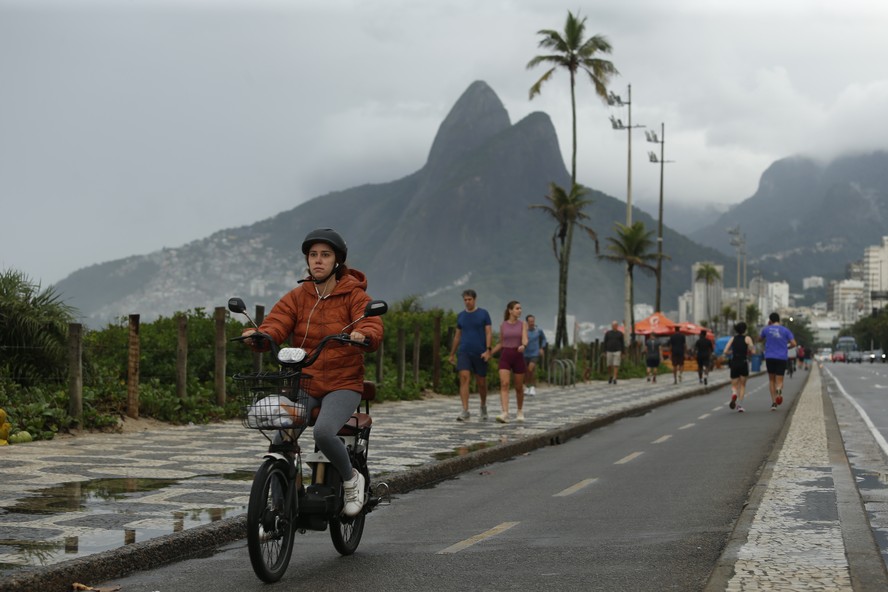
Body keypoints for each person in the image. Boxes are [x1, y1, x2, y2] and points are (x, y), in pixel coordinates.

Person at [240, 228, 383, 517]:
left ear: (337, 261)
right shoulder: (299, 295)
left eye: (325, 255)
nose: (318, 260)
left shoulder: (352, 295)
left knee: (323, 432)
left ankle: (351, 479)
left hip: (343, 384)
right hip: (305, 382)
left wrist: (363, 334)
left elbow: (371, 324)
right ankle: (279, 510)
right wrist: (261, 335)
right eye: (313, 255)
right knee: (282, 439)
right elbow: (277, 322)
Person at [448, 289, 492, 422]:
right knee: (464, 378)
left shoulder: (483, 314)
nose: (467, 302)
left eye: (469, 299)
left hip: (480, 352)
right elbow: (457, 336)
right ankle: (465, 410)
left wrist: (488, 350)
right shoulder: (461, 316)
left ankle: (483, 406)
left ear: (475, 299)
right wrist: (452, 354)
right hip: (464, 352)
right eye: (465, 300)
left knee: (481, 383)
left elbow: (488, 332)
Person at [490, 301, 529, 423]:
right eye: (517, 308)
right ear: (510, 310)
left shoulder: (523, 324)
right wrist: (489, 353)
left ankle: (520, 410)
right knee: (504, 384)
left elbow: (525, 338)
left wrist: (523, 345)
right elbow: (501, 343)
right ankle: (505, 413)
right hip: (505, 356)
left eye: (520, 308)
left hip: (518, 356)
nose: (520, 310)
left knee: (518, 387)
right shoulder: (503, 325)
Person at [759, 312, 797, 411]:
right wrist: (787, 347)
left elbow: (759, 339)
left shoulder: (766, 329)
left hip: (769, 357)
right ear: (779, 320)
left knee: (771, 380)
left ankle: (774, 403)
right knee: (779, 381)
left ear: (770, 320)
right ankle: (779, 390)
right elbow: (794, 343)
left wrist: (768, 328)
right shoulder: (785, 330)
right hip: (781, 357)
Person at [724, 322, 754, 412]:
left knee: (734, 384)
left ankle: (734, 394)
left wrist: (731, 352)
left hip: (734, 363)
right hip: (743, 362)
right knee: (742, 385)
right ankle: (740, 405)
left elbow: (725, 351)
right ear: (745, 329)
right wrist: (748, 350)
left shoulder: (732, 339)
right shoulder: (747, 338)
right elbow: (752, 350)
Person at [523, 314, 547, 396]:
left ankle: (532, 387)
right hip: (525, 354)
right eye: (530, 321)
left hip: (535, 353)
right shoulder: (524, 331)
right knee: (527, 371)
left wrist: (541, 348)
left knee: (530, 369)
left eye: (533, 321)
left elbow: (544, 339)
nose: (532, 323)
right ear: (527, 322)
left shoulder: (538, 331)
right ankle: (527, 386)